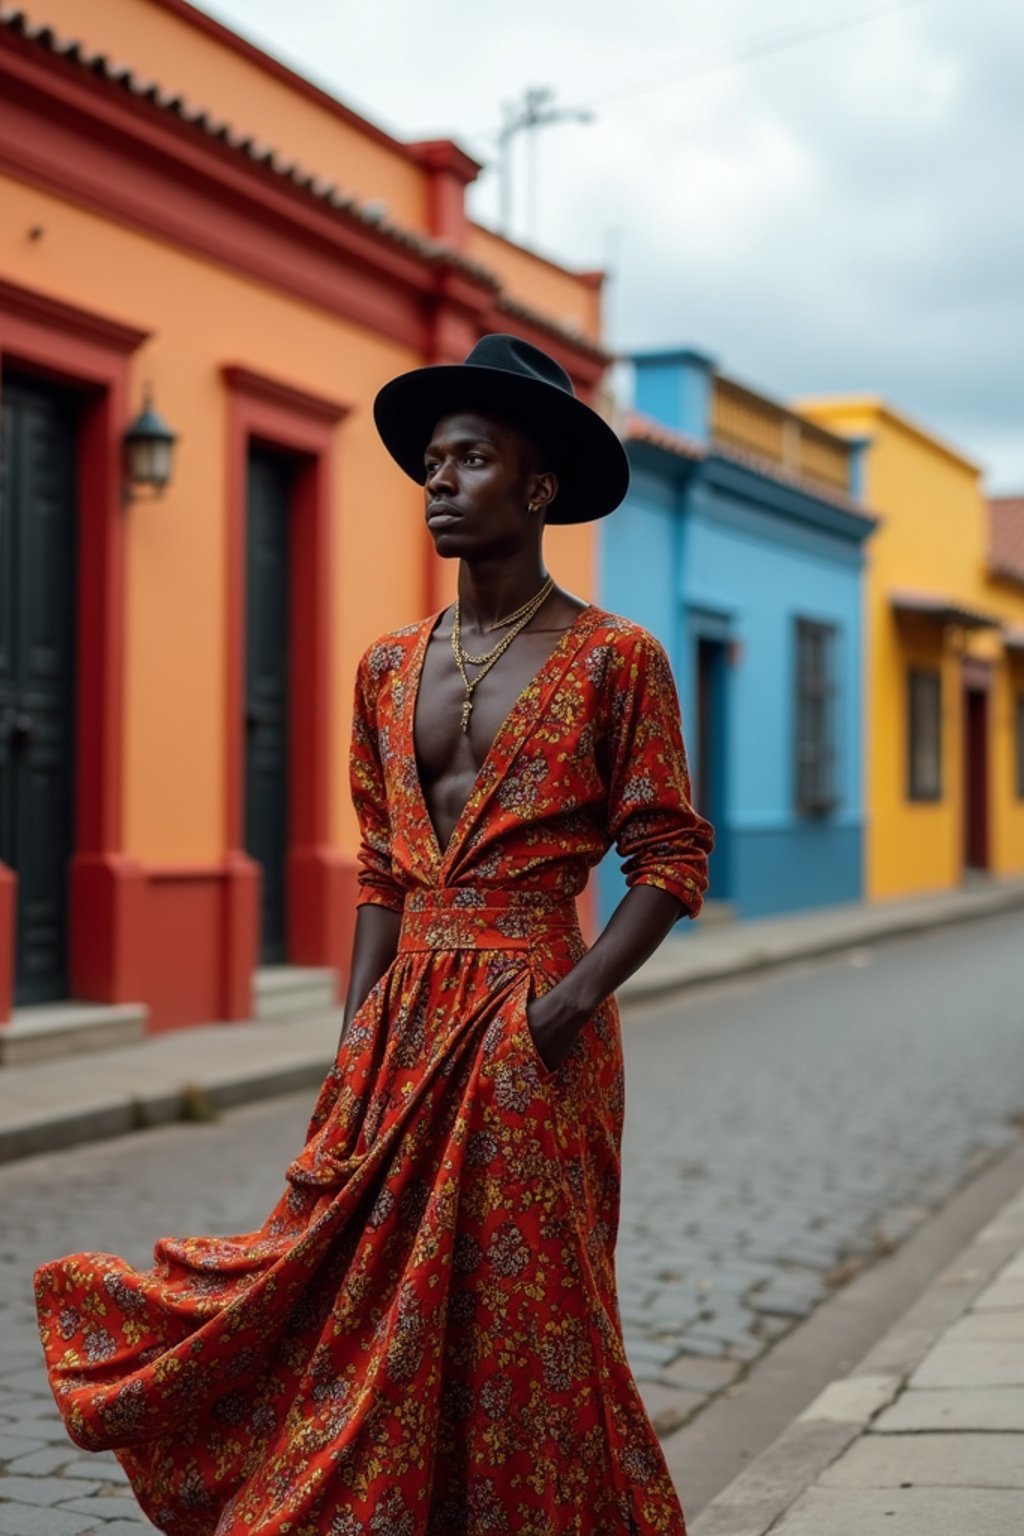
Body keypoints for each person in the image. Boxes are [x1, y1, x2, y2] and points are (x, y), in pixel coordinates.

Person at [35, 334, 714, 1535]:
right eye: (432, 462)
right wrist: (354, 1030)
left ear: (539, 485)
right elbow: (384, 867)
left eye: (472, 459)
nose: (439, 482)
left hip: (532, 1021)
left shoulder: (618, 661)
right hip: (398, 1031)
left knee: (528, 1322)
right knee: (343, 1297)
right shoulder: (387, 667)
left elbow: (667, 858)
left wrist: (561, 1012)